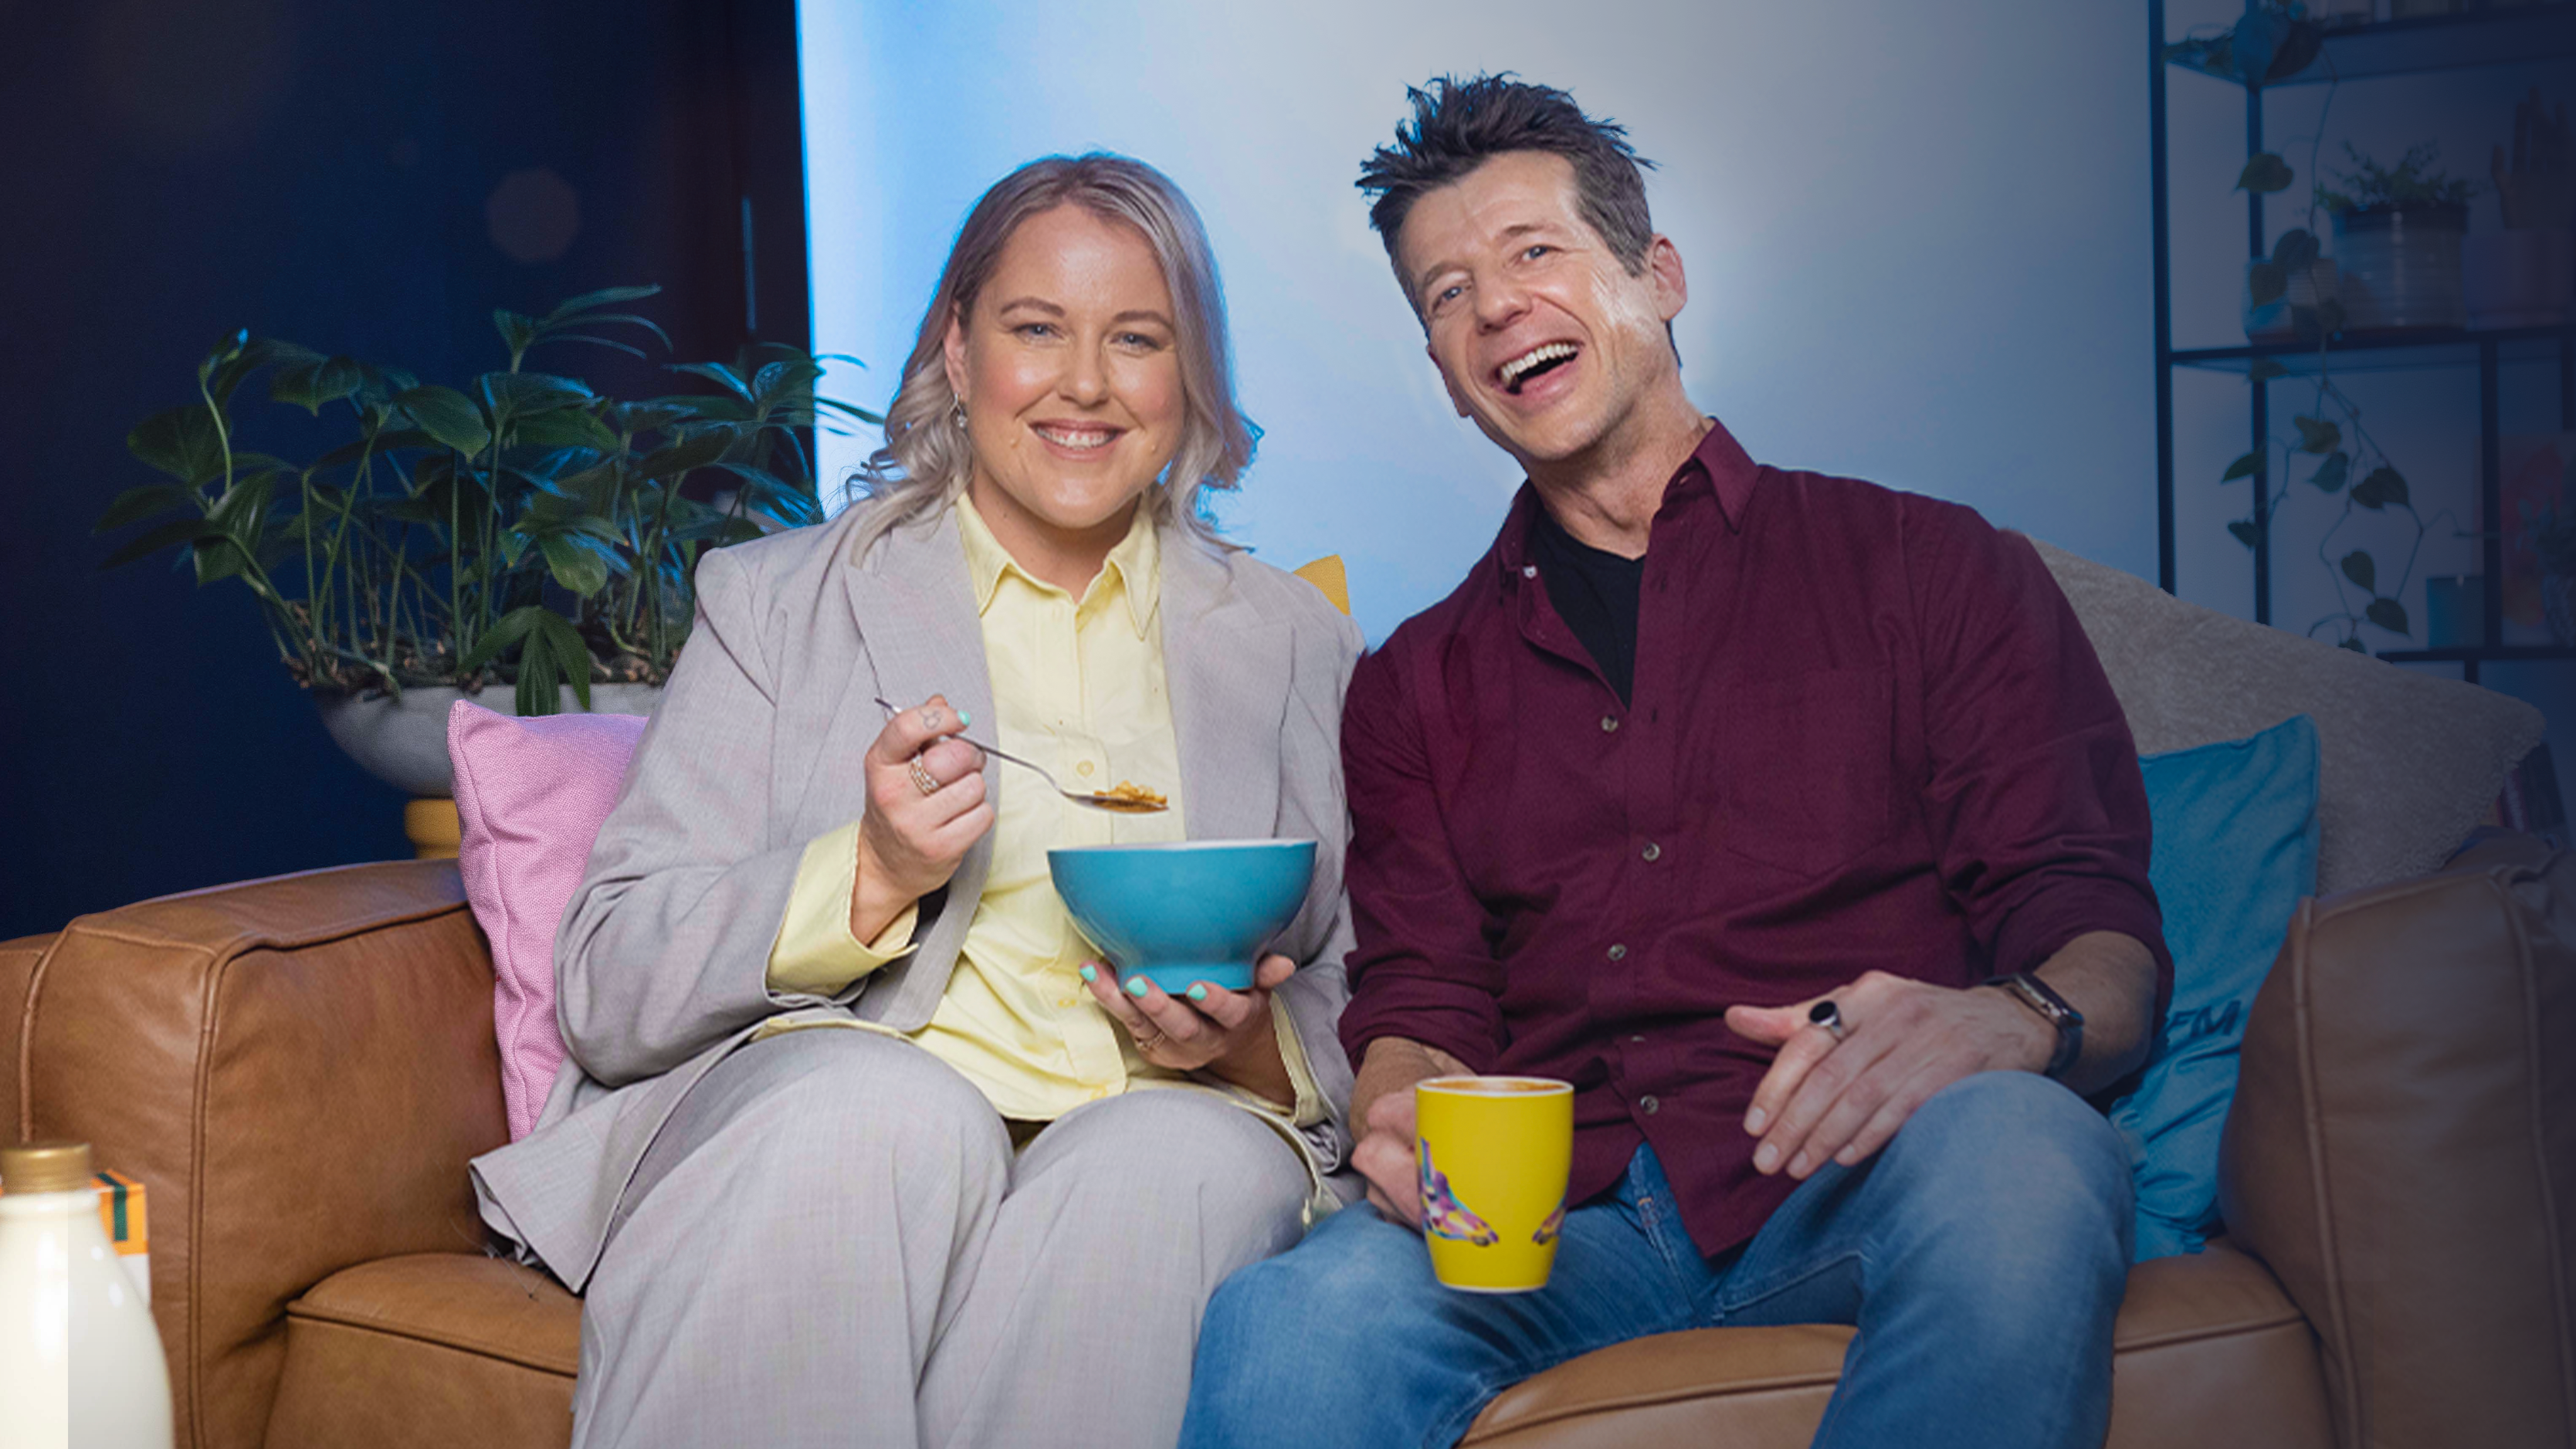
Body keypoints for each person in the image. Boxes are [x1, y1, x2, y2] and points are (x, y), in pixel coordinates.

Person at [1181, 76, 2170, 1449]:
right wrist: (1402, 1098)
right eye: (1448, 294)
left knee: (2026, 1147)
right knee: (1293, 1319)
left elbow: (2097, 929)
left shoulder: (1932, 567)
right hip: (1562, 1227)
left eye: (1536, 253)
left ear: (1659, 276)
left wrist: (2014, 1023)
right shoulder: (1411, 684)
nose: (1498, 307)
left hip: (1870, 1172)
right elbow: (1424, 989)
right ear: (1445, 373)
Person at [469, 152, 1364, 1449]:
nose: (1085, 385)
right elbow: (610, 985)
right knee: (889, 1114)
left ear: (1191, 380)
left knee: (1181, 1165)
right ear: (956, 347)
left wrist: (1245, 1052)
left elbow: (1365, 995)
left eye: (1138, 339)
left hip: (1162, 1119)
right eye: (1035, 329)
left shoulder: (1296, 641)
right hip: (849, 1098)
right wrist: (872, 872)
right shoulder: (775, 603)